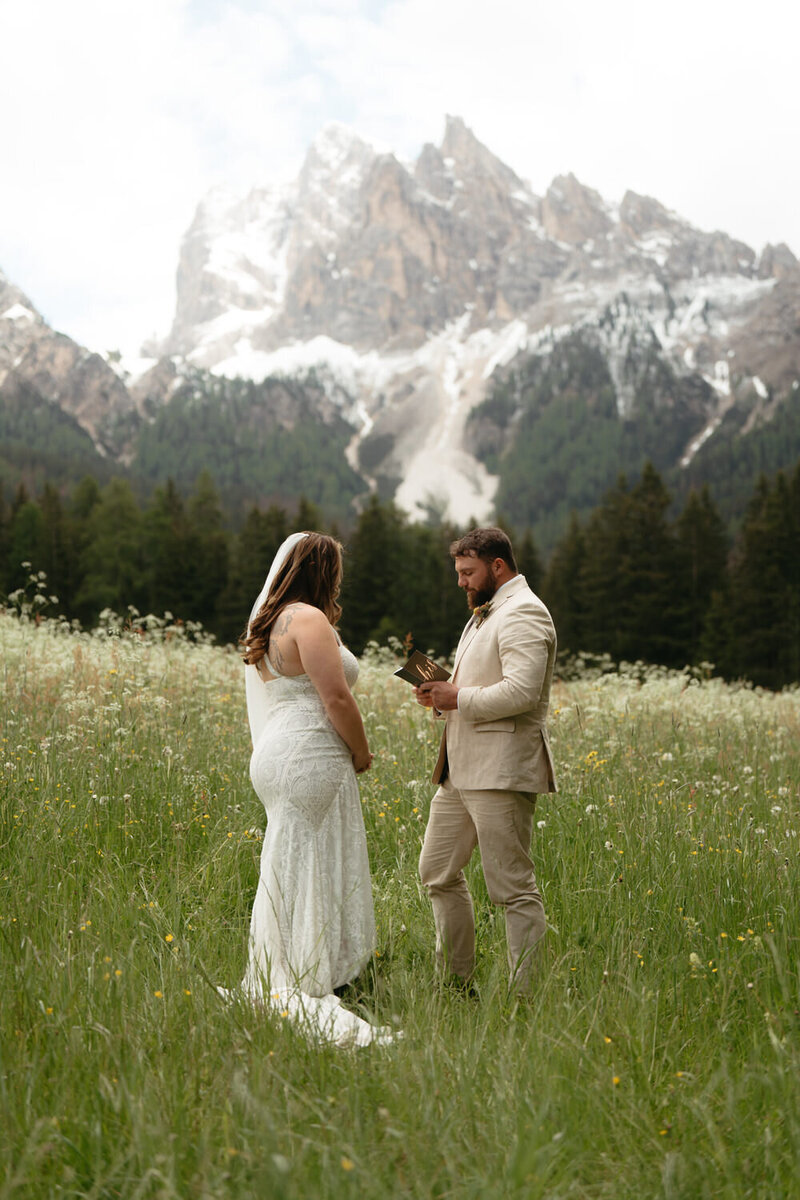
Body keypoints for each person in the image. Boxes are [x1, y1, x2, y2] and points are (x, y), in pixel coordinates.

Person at [231, 531, 394, 1046]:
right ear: (323, 570)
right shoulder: (310, 619)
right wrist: (362, 751)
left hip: (276, 751)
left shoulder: (271, 622)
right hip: (310, 752)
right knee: (314, 859)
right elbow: (337, 700)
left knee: (288, 858)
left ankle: (282, 967)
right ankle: (308, 975)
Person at [415, 527, 557, 995]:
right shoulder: (482, 613)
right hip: (459, 771)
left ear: (498, 566)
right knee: (436, 871)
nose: (461, 582)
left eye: (468, 572)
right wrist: (440, 695)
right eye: (458, 572)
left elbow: (522, 691)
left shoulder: (526, 612)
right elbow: (474, 684)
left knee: (512, 888)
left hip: (500, 768)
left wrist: (459, 697)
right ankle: (457, 984)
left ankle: (525, 998)